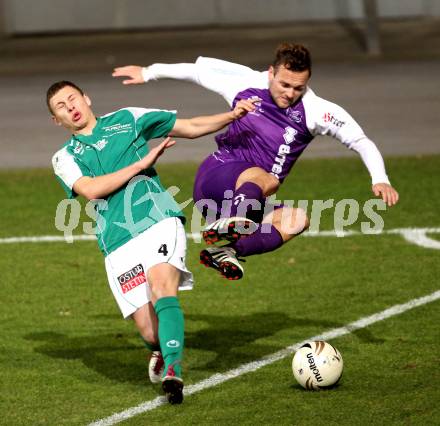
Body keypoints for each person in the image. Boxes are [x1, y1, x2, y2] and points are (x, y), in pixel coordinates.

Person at [112, 42, 399, 281]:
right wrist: (149, 72)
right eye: (284, 84)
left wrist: (380, 178)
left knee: (297, 220)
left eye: (298, 87)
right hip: (217, 176)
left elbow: (360, 140)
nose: (290, 93)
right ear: (271, 72)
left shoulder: (317, 111)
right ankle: (238, 219)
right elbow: (197, 72)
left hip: (246, 197)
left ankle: (227, 252)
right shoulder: (245, 81)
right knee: (269, 179)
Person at [48, 80, 256, 404]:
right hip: (117, 242)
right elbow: (90, 189)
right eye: (61, 107)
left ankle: (173, 370)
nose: (70, 107)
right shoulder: (63, 158)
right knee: (148, 332)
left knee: (162, 286)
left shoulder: (127, 119)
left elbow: (188, 126)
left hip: (159, 220)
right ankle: (161, 350)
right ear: (56, 121)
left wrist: (232, 116)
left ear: (86, 97)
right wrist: (140, 165)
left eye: (72, 98)